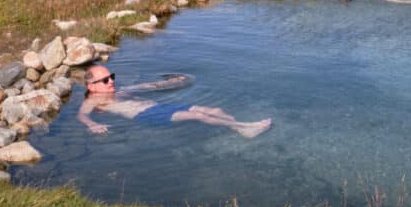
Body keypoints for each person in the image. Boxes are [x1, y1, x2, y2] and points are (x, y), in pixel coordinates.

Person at [77, 65, 271, 138]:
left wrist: (168, 82)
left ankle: (240, 129)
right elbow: (82, 114)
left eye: (111, 76)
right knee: (198, 115)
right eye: (105, 80)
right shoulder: (94, 100)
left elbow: (145, 87)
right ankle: (245, 126)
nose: (111, 81)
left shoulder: (119, 90)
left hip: (159, 108)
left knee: (215, 109)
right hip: (147, 116)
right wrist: (92, 124)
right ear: (91, 86)